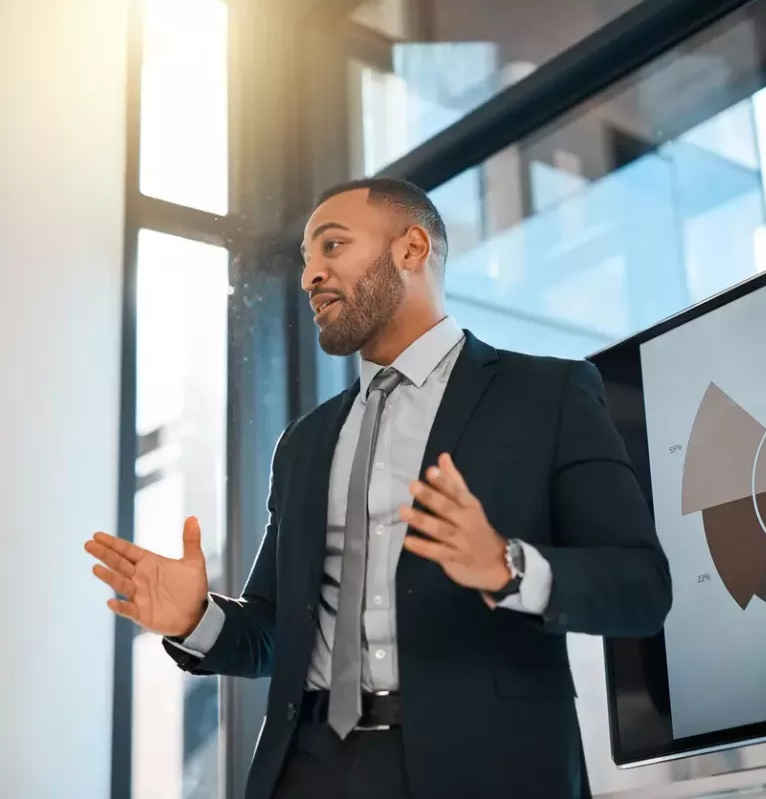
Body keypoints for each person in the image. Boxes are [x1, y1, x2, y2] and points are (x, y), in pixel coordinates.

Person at [85, 177, 672, 799]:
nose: (310, 275)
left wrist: (508, 565)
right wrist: (196, 620)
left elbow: (641, 589)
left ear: (411, 249)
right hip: (309, 768)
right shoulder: (304, 443)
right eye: (305, 259)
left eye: (331, 247)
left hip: (486, 765)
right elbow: (274, 633)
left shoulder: (549, 396)